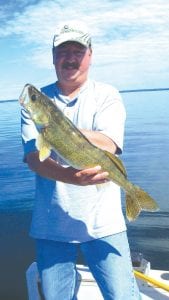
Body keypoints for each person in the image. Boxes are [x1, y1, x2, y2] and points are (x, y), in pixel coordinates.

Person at [21, 21, 141, 300]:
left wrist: (60, 129)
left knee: (122, 295)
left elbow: (109, 142)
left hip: (104, 223)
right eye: (63, 51)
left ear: (90, 56)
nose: (70, 58)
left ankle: (134, 194)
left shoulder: (106, 95)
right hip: (51, 225)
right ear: (53, 58)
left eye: (78, 51)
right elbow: (34, 158)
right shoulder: (37, 103)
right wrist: (70, 177)